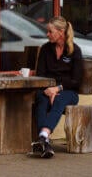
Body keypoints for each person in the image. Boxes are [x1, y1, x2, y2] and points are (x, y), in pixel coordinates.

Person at [31, 16, 83, 158]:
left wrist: (57, 89)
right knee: (41, 98)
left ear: (61, 32)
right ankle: (45, 140)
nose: (47, 34)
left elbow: (76, 81)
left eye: (50, 31)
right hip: (47, 90)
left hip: (69, 92)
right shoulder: (45, 49)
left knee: (60, 100)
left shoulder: (74, 51)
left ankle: (43, 136)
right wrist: (50, 90)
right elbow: (41, 75)